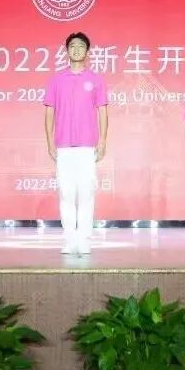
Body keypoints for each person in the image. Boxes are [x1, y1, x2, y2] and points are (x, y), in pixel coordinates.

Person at [44, 32, 108, 256]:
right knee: (66, 193)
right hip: (63, 145)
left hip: (87, 145)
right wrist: (50, 141)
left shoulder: (96, 80)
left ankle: (84, 239)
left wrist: (102, 141)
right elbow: (49, 112)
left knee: (86, 193)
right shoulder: (56, 80)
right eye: (72, 46)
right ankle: (70, 239)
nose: (77, 49)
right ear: (67, 50)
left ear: (87, 51)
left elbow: (103, 112)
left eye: (81, 46)